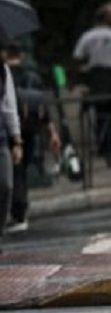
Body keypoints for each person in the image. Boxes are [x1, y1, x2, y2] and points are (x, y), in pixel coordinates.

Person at [4, 44, 61, 232]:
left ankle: (19, 213)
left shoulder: (6, 74)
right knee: (21, 170)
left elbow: (8, 106)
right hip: (31, 130)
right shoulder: (33, 77)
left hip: (11, 131)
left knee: (16, 172)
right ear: (21, 54)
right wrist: (52, 132)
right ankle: (20, 210)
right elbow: (43, 107)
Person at [73, 2, 111, 165]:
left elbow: (77, 58)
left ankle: (103, 143)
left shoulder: (88, 36)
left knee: (100, 111)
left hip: (95, 76)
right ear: (106, 17)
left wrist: (74, 80)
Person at [0, 60, 24, 253]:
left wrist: (16, 141)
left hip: (0, 138)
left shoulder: (2, 68)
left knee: (6, 185)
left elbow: (9, 106)